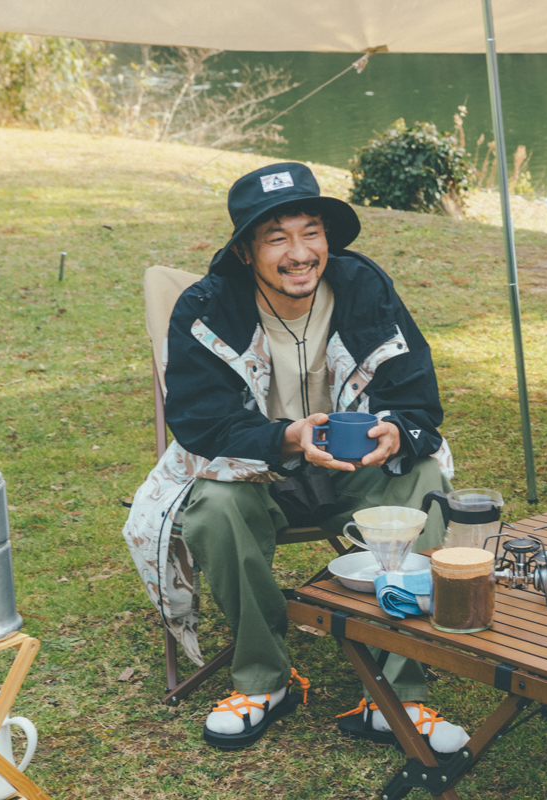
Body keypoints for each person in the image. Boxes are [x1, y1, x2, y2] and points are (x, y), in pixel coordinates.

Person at [122, 162, 468, 753]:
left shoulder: (364, 288)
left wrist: (394, 431)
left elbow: (417, 397)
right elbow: (200, 422)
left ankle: (398, 695)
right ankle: (264, 680)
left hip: (354, 471)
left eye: (312, 233)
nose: (300, 253)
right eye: (276, 238)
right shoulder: (207, 308)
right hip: (257, 471)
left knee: (423, 474)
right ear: (245, 251)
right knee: (214, 508)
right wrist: (287, 438)